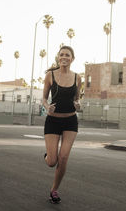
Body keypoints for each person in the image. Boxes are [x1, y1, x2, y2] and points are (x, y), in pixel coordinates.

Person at [42, 45, 81, 204]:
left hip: (70, 120)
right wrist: (47, 108)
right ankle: (48, 156)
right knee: (52, 161)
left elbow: (77, 99)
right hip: (53, 120)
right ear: (59, 57)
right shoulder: (50, 75)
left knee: (63, 158)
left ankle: (54, 190)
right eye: (62, 54)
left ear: (72, 58)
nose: (64, 57)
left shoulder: (77, 77)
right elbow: (44, 99)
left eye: (68, 55)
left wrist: (78, 104)